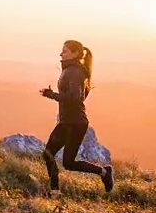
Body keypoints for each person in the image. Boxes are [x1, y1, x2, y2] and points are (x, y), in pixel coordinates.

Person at [39, 40, 114, 195]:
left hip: (74, 123)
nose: (61, 54)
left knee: (50, 154)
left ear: (75, 53)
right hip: (72, 122)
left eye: (65, 51)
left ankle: (55, 191)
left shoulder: (74, 71)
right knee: (67, 162)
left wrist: (52, 95)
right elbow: (81, 96)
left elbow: (75, 98)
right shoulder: (72, 70)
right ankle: (104, 172)